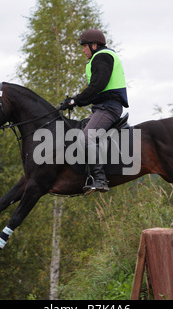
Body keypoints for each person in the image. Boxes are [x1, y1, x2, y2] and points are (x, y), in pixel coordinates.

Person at [60, 29, 129, 195]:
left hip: (108, 107)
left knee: (87, 136)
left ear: (94, 45)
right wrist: (74, 101)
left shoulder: (102, 56)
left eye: (84, 46)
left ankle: (99, 179)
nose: (83, 50)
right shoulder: (98, 59)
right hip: (102, 106)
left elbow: (97, 86)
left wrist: (75, 100)